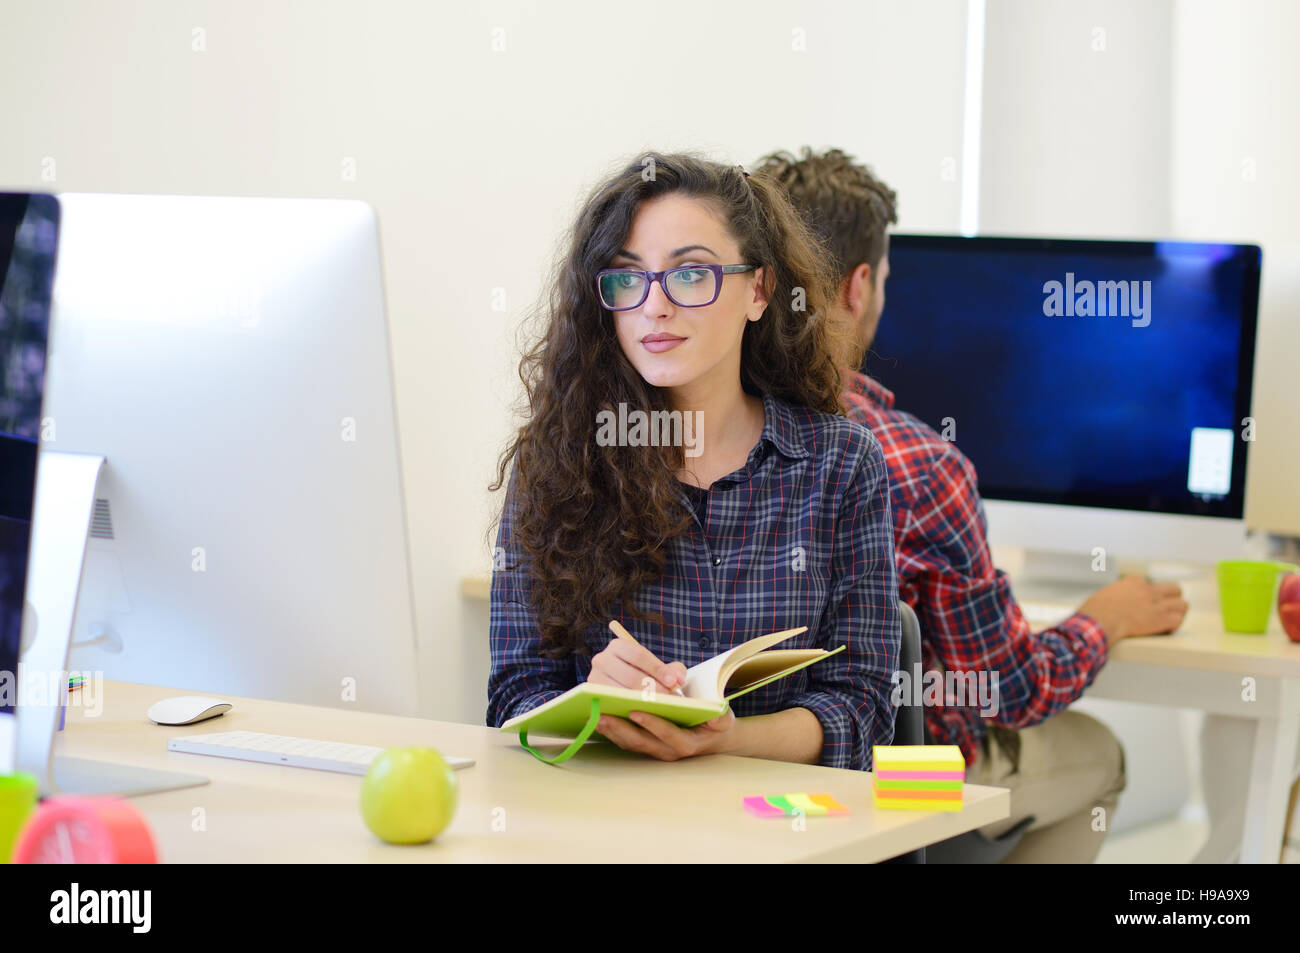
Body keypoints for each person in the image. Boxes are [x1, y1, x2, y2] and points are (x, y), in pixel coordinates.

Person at [758, 146, 1189, 859]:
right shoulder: (922, 465)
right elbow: (1009, 693)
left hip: (756, 779)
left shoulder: (708, 436)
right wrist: (1099, 622)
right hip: (894, 782)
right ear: (859, 286)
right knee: (1102, 756)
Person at [487, 152, 900, 771]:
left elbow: (864, 709)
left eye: (690, 274)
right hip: (611, 823)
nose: (654, 306)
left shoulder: (840, 465)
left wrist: (725, 738)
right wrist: (591, 701)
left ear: (758, 291)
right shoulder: (559, 463)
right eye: (628, 278)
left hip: (779, 829)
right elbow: (511, 702)